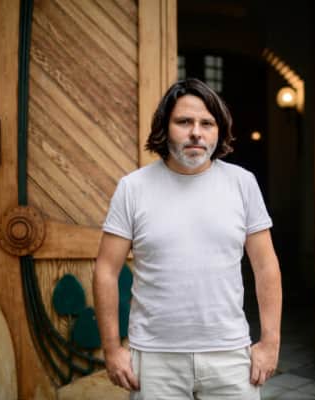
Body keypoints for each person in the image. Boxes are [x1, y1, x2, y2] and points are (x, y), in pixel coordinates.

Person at [93, 78, 282, 399]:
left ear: (219, 130)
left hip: (229, 355)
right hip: (155, 359)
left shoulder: (242, 183)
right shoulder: (133, 188)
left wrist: (270, 343)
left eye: (207, 123)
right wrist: (112, 349)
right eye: (184, 122)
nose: (196, 132)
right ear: (165, 128)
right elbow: (106, 270)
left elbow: (266, 267)